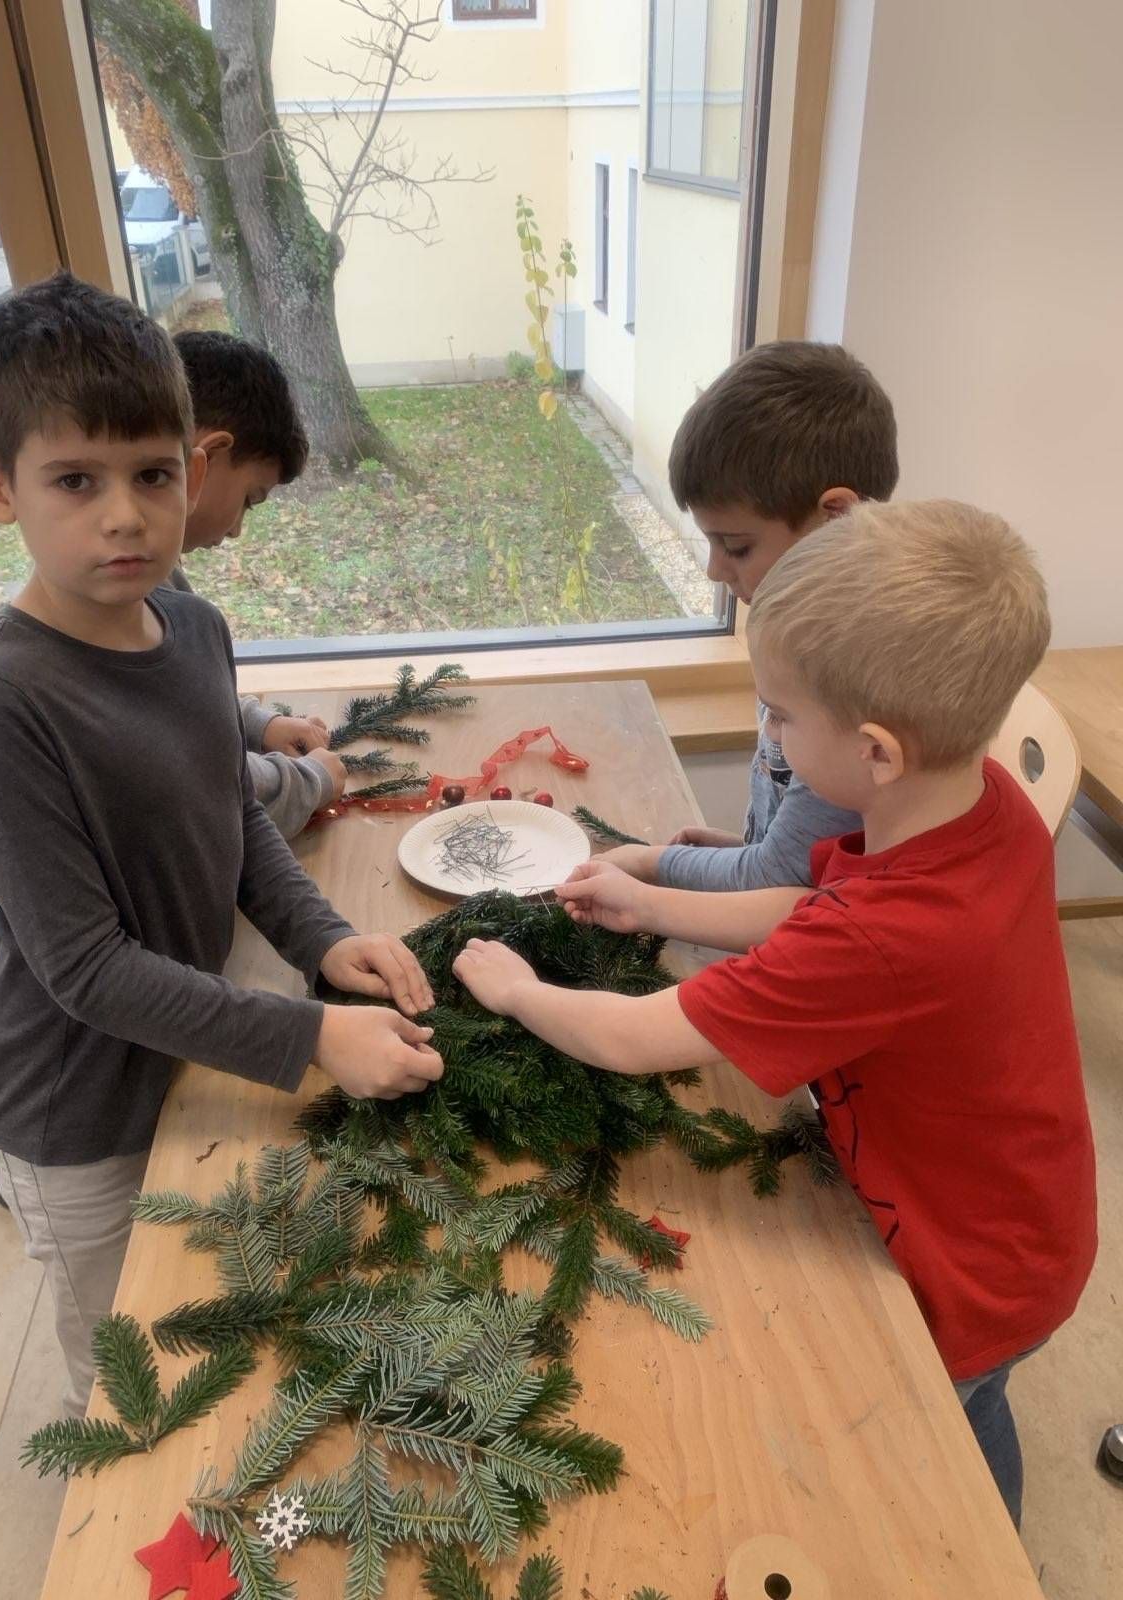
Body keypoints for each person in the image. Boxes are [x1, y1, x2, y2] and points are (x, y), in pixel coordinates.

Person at [454, 500, 1097, 1527]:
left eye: (784, 719)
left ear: (876, 751)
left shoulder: (889, 939)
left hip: (967, 1266)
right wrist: (654, 902)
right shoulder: (978, 806)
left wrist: (518, 990)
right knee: (976, 1410)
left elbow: (635, 1036)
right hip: (1023, 1216)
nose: (774, 739)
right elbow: (817, 907)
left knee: (948, 1461)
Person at [0, 272, 443, 1414]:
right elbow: (85, 969)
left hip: (174, 1053)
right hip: (72, 1112)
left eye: (153, 475)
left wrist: (324, 942)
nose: (124, 515)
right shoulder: (2, 706)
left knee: (203, 1319)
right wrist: (314, 1035)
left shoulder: (196, 627)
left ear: (193, 471)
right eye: (76, 480)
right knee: (127, 1374)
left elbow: (235, 814)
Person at [599, 341, 899, 892]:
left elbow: (784, 880)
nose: (715, 570)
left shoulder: (852, 676)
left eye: (736, 547)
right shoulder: (801, 634)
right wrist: (743, 850)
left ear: (836, 516)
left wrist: (649, 867)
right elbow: (795, 856)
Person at [168, 328, 345, 838]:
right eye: (249, 498)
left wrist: (258, 725)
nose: (237, 529)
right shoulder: (133, 599)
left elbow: (190, 707)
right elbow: (206, 788)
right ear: (205, 459)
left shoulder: (163, 584)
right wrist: (310, 781)